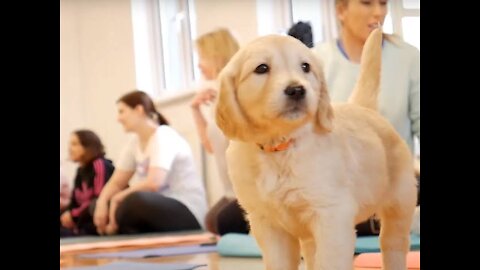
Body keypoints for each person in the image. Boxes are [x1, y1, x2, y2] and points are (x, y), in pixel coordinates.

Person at [313, 0, 420, 235]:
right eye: (366, 3)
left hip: (391, 181)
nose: (378, 12)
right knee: (225, 218)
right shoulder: (315, 60)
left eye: (383, 3)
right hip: (332, 186)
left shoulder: (409, 58)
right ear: (341, 10)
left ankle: (386, 219)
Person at [94, 90, 207, 235]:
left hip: (187, 209)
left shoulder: (164, 135)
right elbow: (116, 183)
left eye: (122, 112)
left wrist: (117, 199)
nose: (118, 118)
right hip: (156, 208)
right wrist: (101, 203)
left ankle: (122, 228)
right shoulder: (134, 143)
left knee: (134, 201)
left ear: (139, 110)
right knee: (97, 205)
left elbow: (154, 183)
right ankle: (124, 229)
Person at [190, 28, 250, 235]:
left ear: (217, 56)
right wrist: (195, 109)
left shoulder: (243, 90)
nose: (198, 64)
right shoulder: (216, 94)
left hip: (249, 190)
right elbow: (210, 146)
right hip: (231, 193)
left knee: (222, 222)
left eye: (202, 57)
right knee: (211, 221)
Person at [60, 130, 114, 237]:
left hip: (98, 216)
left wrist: (73, 215)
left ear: (88, 147)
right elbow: (74, 202)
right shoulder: (80, 170)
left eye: (75, 144)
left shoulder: (100, 164)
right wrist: (69, 214)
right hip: (81, 218)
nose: (70, 149)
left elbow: (98, 198)